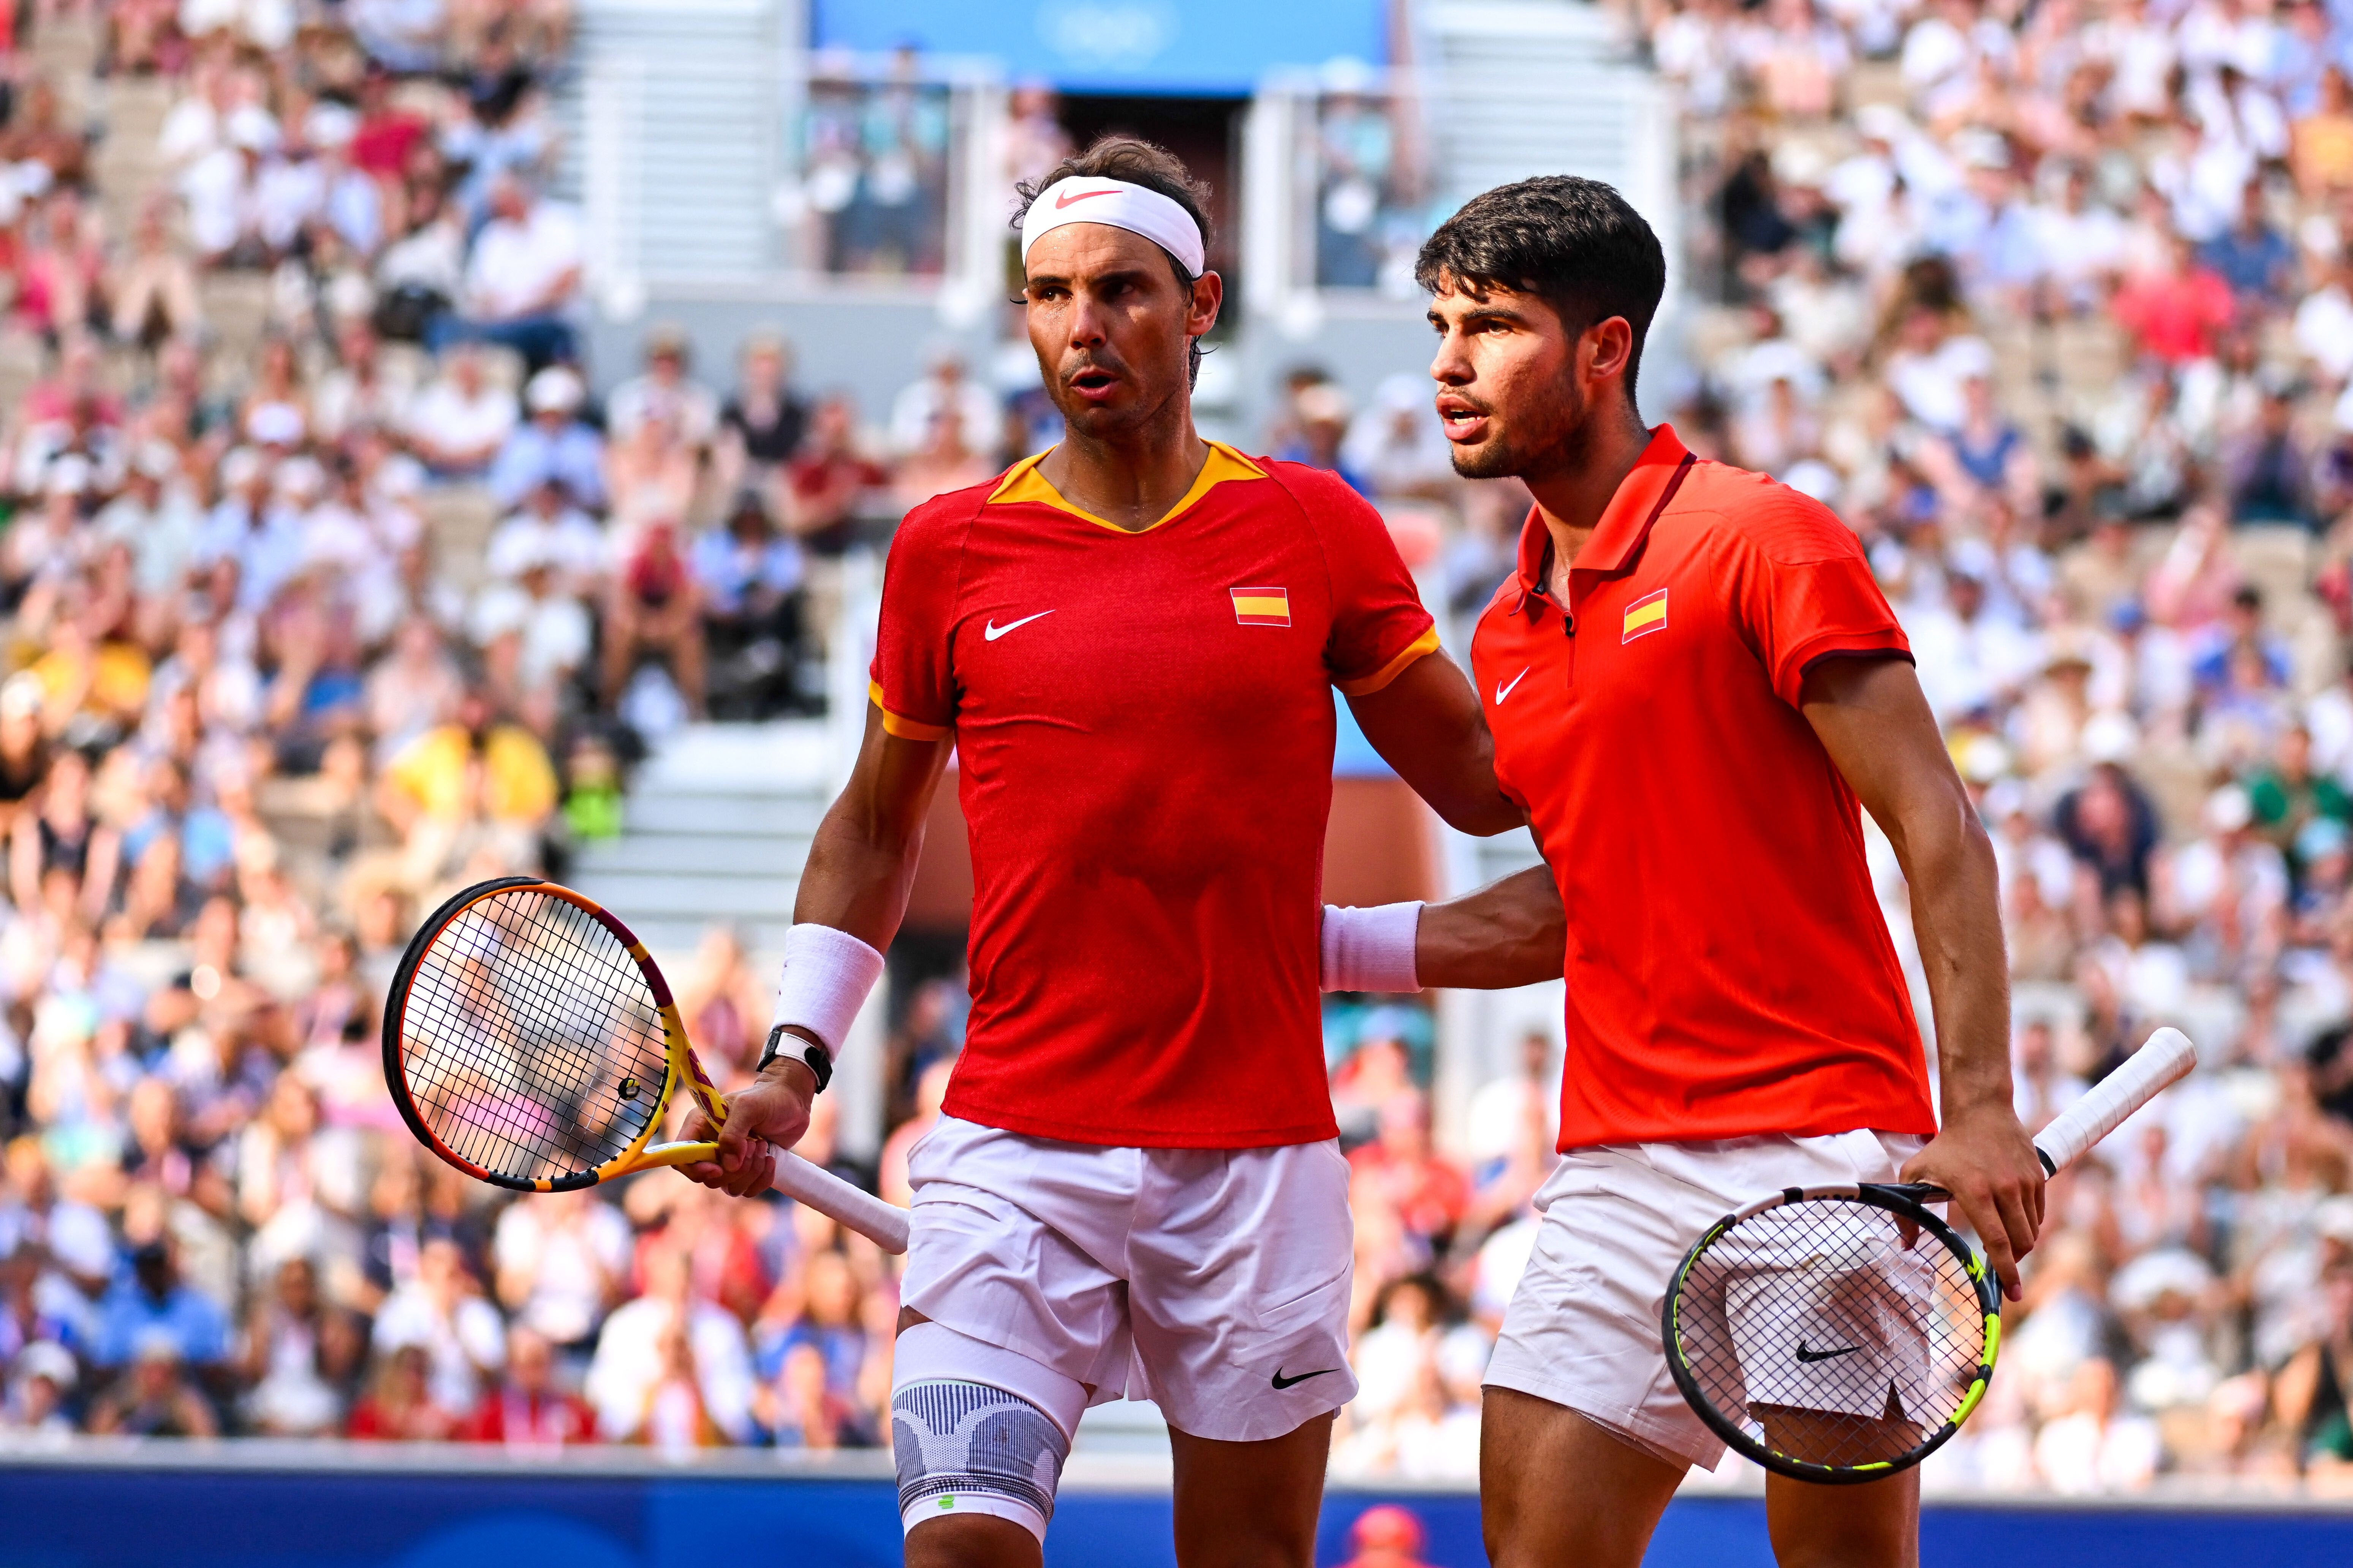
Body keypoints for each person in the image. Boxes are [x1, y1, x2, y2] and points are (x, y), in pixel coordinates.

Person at [677, 136, 1554, 1568]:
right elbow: (875, 824)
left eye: (1123, 290)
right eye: (1050, 294)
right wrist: (795, 1057)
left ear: (1200, 304)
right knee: (960, 1550)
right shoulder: (946, 549)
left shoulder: (1318, 525)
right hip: (1012, 1155)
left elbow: (1475, 784)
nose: (1083, 326)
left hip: (1259, 1164)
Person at [1413, 176, 2045, 1568]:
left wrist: (1983, 1107)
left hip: (1823, 1154)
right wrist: (1322, 943)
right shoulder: (1505, 632)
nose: (1450, 365)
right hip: (1611, 1167)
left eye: (1495, 327)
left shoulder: (1764, 537)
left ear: (1604, 349)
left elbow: (1935, 824)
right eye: (1442, 325)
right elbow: (1581, 902)